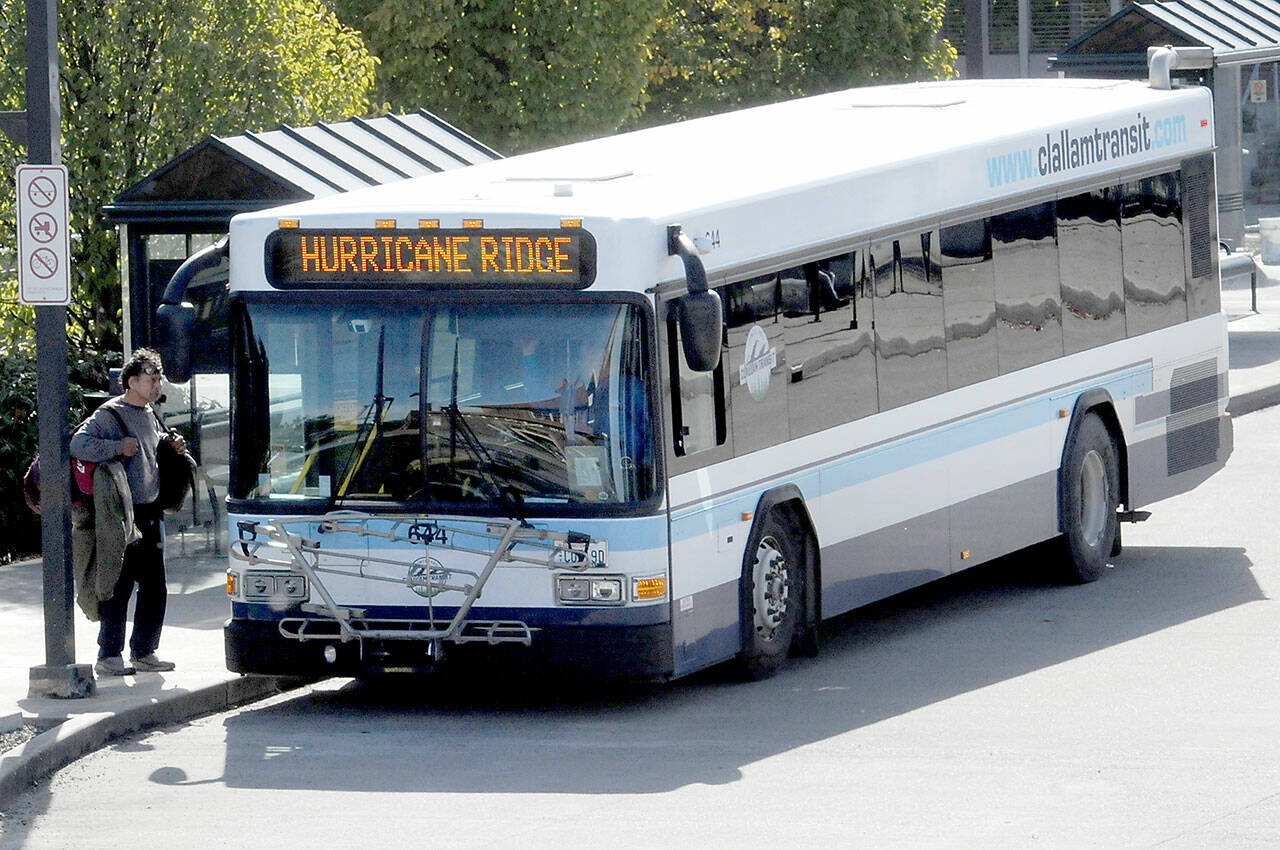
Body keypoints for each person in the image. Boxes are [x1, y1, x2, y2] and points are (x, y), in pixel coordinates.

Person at [70, 348, 185, 676]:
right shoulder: (109, 414)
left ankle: (144, 650)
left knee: (155, 586)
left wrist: (169, 444)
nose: (157, 383)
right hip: (120, 515)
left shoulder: (149, 412)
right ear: (132, 381)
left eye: (158, 377)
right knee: (118, 585)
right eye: (151, 377)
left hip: (150, 511)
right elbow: (78, 444)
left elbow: (154, 442)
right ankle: (108, 657)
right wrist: (116, 447)